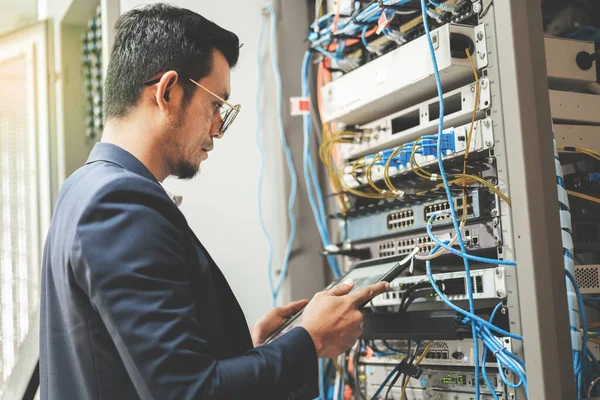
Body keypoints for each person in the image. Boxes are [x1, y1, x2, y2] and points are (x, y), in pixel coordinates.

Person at [39, 3, 389, 400]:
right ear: (167, 92)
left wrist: (247, 349)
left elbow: (142, 367)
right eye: (216, 105)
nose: (218, 128)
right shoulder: (119, 204)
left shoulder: (83, 187)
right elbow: (189, 393)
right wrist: (307, 340)